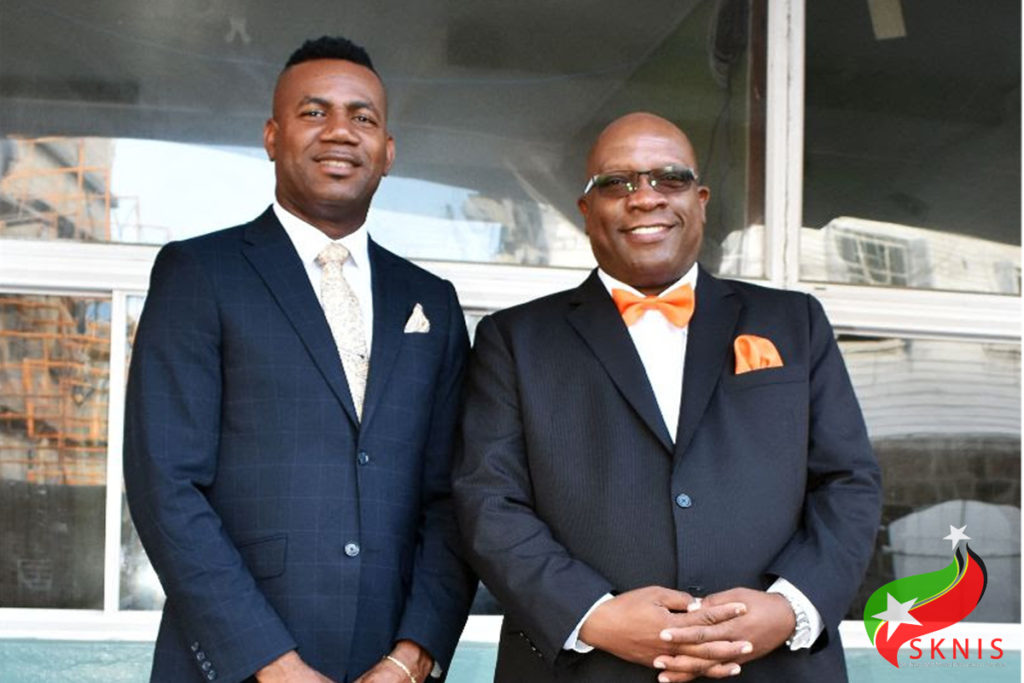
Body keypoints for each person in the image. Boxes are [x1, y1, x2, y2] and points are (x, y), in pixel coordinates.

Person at [452, 112, 881, 682]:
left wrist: (788, 607)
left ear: (699, 201)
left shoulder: (794, 322)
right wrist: (594, 615)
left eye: (669, 179)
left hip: (775, 668)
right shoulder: (513, 339)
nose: (645, 197)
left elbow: (848, 482)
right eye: (617, 183)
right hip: (586, 671)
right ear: (586, 210)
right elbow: (489, 500)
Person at [125, 36, 475, 683]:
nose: (340, 131)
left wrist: (413, 655)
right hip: (239, 664)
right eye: (314, 112)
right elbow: (165, 485)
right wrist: (269, 661)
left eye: (362, 116)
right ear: (271, 136)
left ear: (387, 151)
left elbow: (452, 497)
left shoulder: (433, 302)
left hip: (389, 667)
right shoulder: (199, 273)